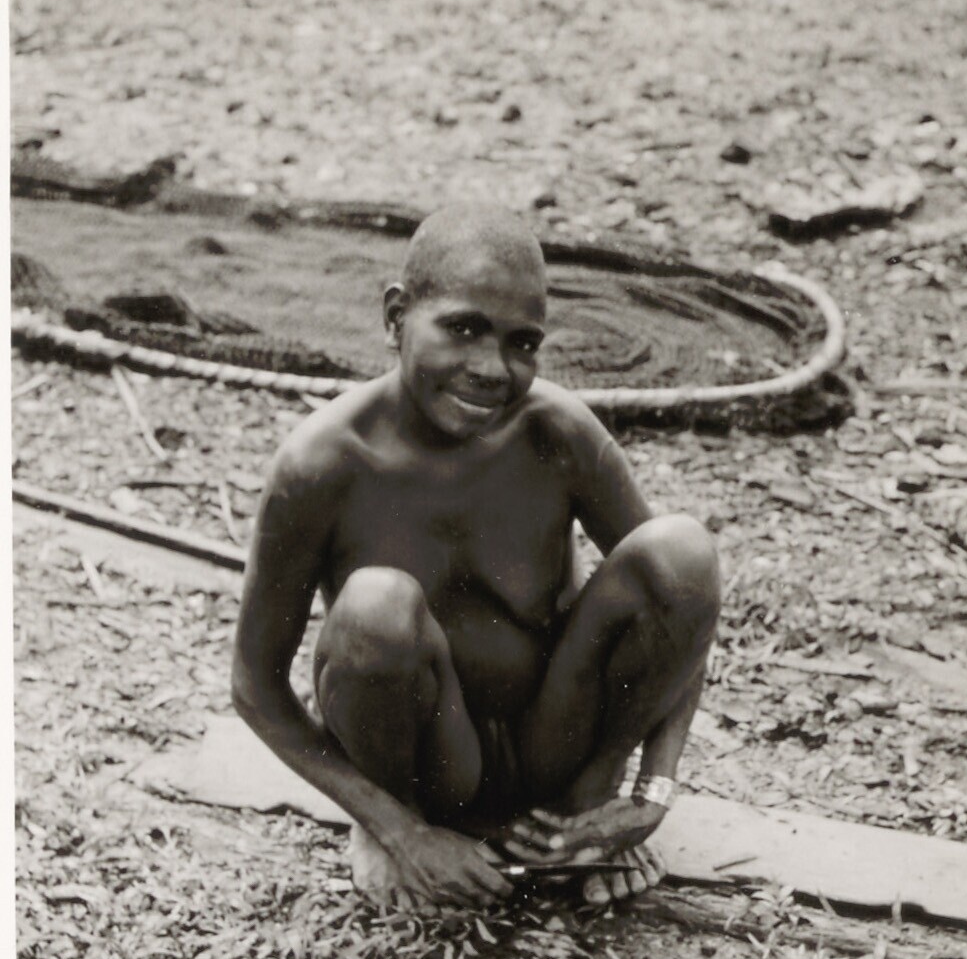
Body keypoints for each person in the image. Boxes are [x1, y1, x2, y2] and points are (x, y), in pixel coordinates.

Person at [232, 203, 720, 908]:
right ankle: (398, 827)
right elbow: (255, 685)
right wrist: (397, 828)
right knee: (374, 610)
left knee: (682, 550)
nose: (492, 368)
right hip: (427, 764)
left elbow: (681, 615)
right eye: (463, 328)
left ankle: (584, 816)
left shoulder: (556, 431)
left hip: (556, 743)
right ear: (396, 316)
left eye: (523, 343)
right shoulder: (322, 463)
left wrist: (652, 793)